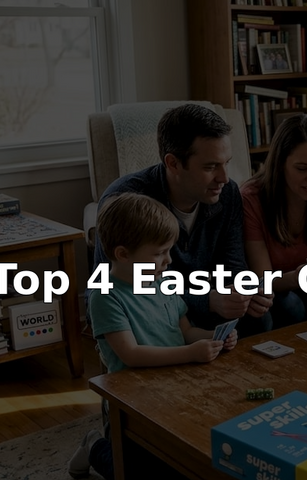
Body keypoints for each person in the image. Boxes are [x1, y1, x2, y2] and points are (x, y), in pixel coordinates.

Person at [69, 193, 238, 480]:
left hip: (174, 389)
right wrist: (191, 353)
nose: (168, 260)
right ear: (123, 254)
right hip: (131, 405)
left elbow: (185, 331)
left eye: (168, 251)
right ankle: (95, 445)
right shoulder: (105, 296)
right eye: (159, 253)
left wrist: (213, 337)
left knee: (193, 456)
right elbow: (131, 355)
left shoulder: (163, 282)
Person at [93, 104, 273, 335]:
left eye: (226, 163)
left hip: (206, 305)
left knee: (262, 320)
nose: (224, 178)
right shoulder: (125, 201)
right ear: (173, 163)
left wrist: (246, 293)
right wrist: (206, 300)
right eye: (210, 167)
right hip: (149, 311)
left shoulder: (227, 194)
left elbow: (233, 267)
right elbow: (108, 287)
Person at [241, 114, 307, 329]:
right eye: (302, 168)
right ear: (281, 164)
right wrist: (295, 279)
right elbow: (262, 281)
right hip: (269, 288)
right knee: (291, 306)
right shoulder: (251, 198)